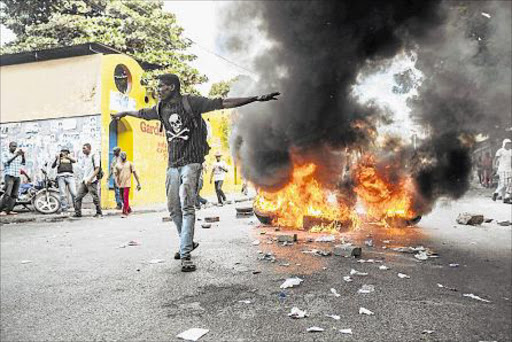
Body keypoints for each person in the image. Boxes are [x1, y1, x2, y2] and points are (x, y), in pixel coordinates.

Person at [112, 73, 279, 272]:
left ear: (172, 87)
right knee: (173, 208)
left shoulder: (192, 102)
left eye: (161, 86)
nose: (158, 90)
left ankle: (185, 255)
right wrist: (124, 113)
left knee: (187, 206)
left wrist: (256, 98)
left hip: (192, 163)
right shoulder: (160, 108)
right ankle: (187, 242)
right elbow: (141, 113)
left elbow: (222, 103)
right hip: (173, 164)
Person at [73, 143, 102, 218]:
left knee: (95, 197)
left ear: (89, 148)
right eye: (82, 148)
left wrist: (91, 178)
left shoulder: (94, 155)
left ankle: (99, 213)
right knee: (78, 197)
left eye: (84, 148)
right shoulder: (86, 157)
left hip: (92, 181)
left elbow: (97, 168)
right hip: (85, 180)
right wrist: (85, 179)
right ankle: (78, 213)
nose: (83, 150)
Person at [0, 141, 25, 216]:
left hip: (17, 176)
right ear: (9, 146)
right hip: (9, 176)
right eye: (13, 146)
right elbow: (6, 162)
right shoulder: (5, 154)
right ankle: (2, 210)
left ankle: (9, 210)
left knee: (14, 194)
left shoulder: (17, 155)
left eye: (15, 146)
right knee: (7, 193)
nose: (14, 148)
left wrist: (23, 156)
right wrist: (16, 156)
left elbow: (23, 163)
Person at [114, 151, 141, 217]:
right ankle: (128, 208)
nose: (123, 157)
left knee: (125, 198)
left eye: (124, 156)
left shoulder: (130, 164)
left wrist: (138, 183)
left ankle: (124, 212)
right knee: (122, 198)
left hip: (127, 183)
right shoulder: (117, 165)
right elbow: (116, 175)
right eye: (122, 156)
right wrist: (116, 182)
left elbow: (135, 174)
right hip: (120, 184)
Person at [52, 148, 77, 213]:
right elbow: (53, 166)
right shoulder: (59, 159)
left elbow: (75, 161)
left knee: (74, 193)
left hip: (70, 176)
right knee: (63, 194)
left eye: (65, 152)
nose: (64, 153)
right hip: (60, 176)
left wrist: (68, 157)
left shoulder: (70, 158)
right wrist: (57, 159)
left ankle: (76, 208)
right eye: (62, 152)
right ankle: (64, 209)